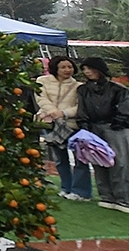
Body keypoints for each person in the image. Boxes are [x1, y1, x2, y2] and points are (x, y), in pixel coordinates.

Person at [76, 57, 129, 212]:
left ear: (100, 70)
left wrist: (118, 122)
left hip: (115, 127)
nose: (87, 72)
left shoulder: (118, 89)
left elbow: (125, 107)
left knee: (120, 162)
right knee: (98, 160)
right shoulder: (83, 90)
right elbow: (82, 109)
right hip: (92, 128)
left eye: (90, 68)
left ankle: (123, 198)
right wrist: (84, 126)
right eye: (85, 69)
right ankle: (106, 196)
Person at [37, 56, 91, 201]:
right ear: (55, 68)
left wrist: (64, 114)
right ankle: (66, 187)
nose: (67, 70)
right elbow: (41, 99)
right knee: (60, 158)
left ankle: (81, 191)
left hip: (72, 125)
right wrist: (53, 113)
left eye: (70, 67)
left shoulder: (79, 86)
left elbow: (80, 106)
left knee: (81, 158)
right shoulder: (42, 81)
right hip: (51, 123)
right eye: (63, 67)